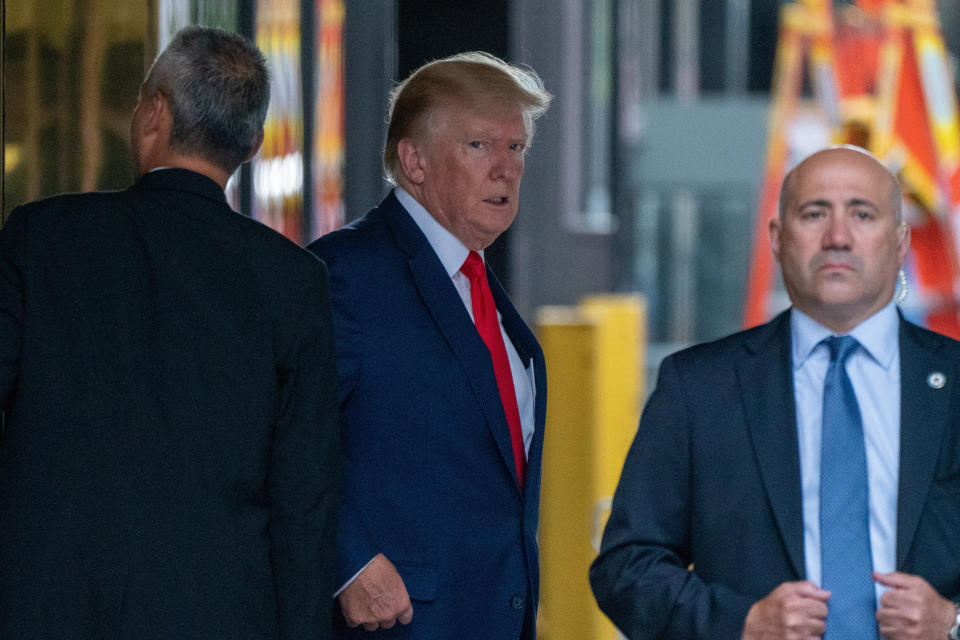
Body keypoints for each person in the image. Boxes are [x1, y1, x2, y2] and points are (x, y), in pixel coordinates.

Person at [0, 26, 340, 639]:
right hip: (219, 616)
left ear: (155, 112)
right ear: (253, 143)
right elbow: (304, 508)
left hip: (45, 608)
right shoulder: (293, 282)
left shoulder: (39, 238)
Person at [590, 146, 960, 640]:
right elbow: (626, 569)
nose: (837, 237)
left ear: (900, 243)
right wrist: (741, 624)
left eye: (862, 214)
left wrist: (953, 621)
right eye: (814, 213)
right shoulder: (699, 389)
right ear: (778, 239)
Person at [307, 52, 551, 639]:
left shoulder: (480, 285)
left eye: (515, 148)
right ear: (413, 160)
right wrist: (350, 564)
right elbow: (281, 437)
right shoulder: (345, 274)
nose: (506, 169)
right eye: (479, 146)